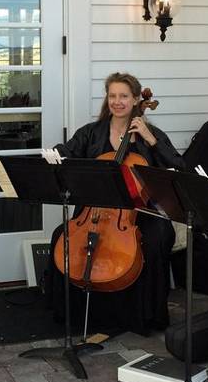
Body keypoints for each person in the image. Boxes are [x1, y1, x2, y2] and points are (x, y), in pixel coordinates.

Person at [44, 72, 186, 335]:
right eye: (112, 96)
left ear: (135, 100)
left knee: (157, 238)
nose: (117, 101)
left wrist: (151, 140)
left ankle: (145, 315)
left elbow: (178, 167)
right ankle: (73, 311)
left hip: (138, 211)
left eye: (123, 96)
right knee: (60, 235)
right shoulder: (91, 133)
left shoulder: (150, 134)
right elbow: (67, 152)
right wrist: (53, 155)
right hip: (95, 209)